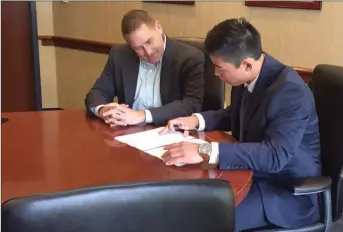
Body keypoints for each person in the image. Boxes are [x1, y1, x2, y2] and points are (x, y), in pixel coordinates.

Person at [160, 18, 321, 231]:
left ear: (246, 64)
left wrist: (205, 150)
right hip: (249, 175)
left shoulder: (290, 92)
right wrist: (196, 120)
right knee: (182, 203)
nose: (216, 74)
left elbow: (274, 156)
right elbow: (233, 114)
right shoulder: (247, 77)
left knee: (204, 220)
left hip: (284, 190)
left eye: (220, 68)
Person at [85, 10, 205, 126]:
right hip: (128, 132)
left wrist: (141, 115)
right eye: (138, 48)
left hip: (170, 131)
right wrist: (104, 111)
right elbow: (97, 92)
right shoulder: (120, 55)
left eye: (149, 42)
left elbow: (191, 104)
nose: (148, 52)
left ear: (158, 27)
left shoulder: (189, 58)